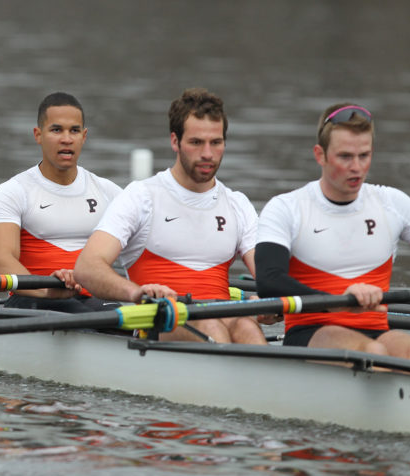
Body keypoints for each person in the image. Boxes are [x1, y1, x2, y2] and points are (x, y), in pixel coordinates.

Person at [255, 103, 410, 361]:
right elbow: (268, 280)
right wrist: (339, 300)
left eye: (364, 156)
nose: (357, 167)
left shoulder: (392, 204)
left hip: (376, 331)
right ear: (320, 155)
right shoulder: (287, 208)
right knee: (373, 353)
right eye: (345, 157)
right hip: (312, 333)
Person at [74, 88, 266, 344]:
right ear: (175, 141)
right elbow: (87, 268)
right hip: (158, 321)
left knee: (248, 328)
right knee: (213, 329)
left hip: (223, 317)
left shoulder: (237, 204)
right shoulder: (142, 197)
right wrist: (136, 293)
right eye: (196, 142)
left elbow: (268, 276)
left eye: (216, 143)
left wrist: (270, 302)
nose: (207, 154)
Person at [0, 92, 122, 312]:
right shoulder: (14, 191)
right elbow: (1, 259)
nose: (66, 139)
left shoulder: (108, 192)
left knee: (133, 321)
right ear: (38, 135)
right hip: (32, 298)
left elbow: (146, 249)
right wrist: (46, 290)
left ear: (84, 136)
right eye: (56, 130)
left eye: (74, 131)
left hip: (91, 301)